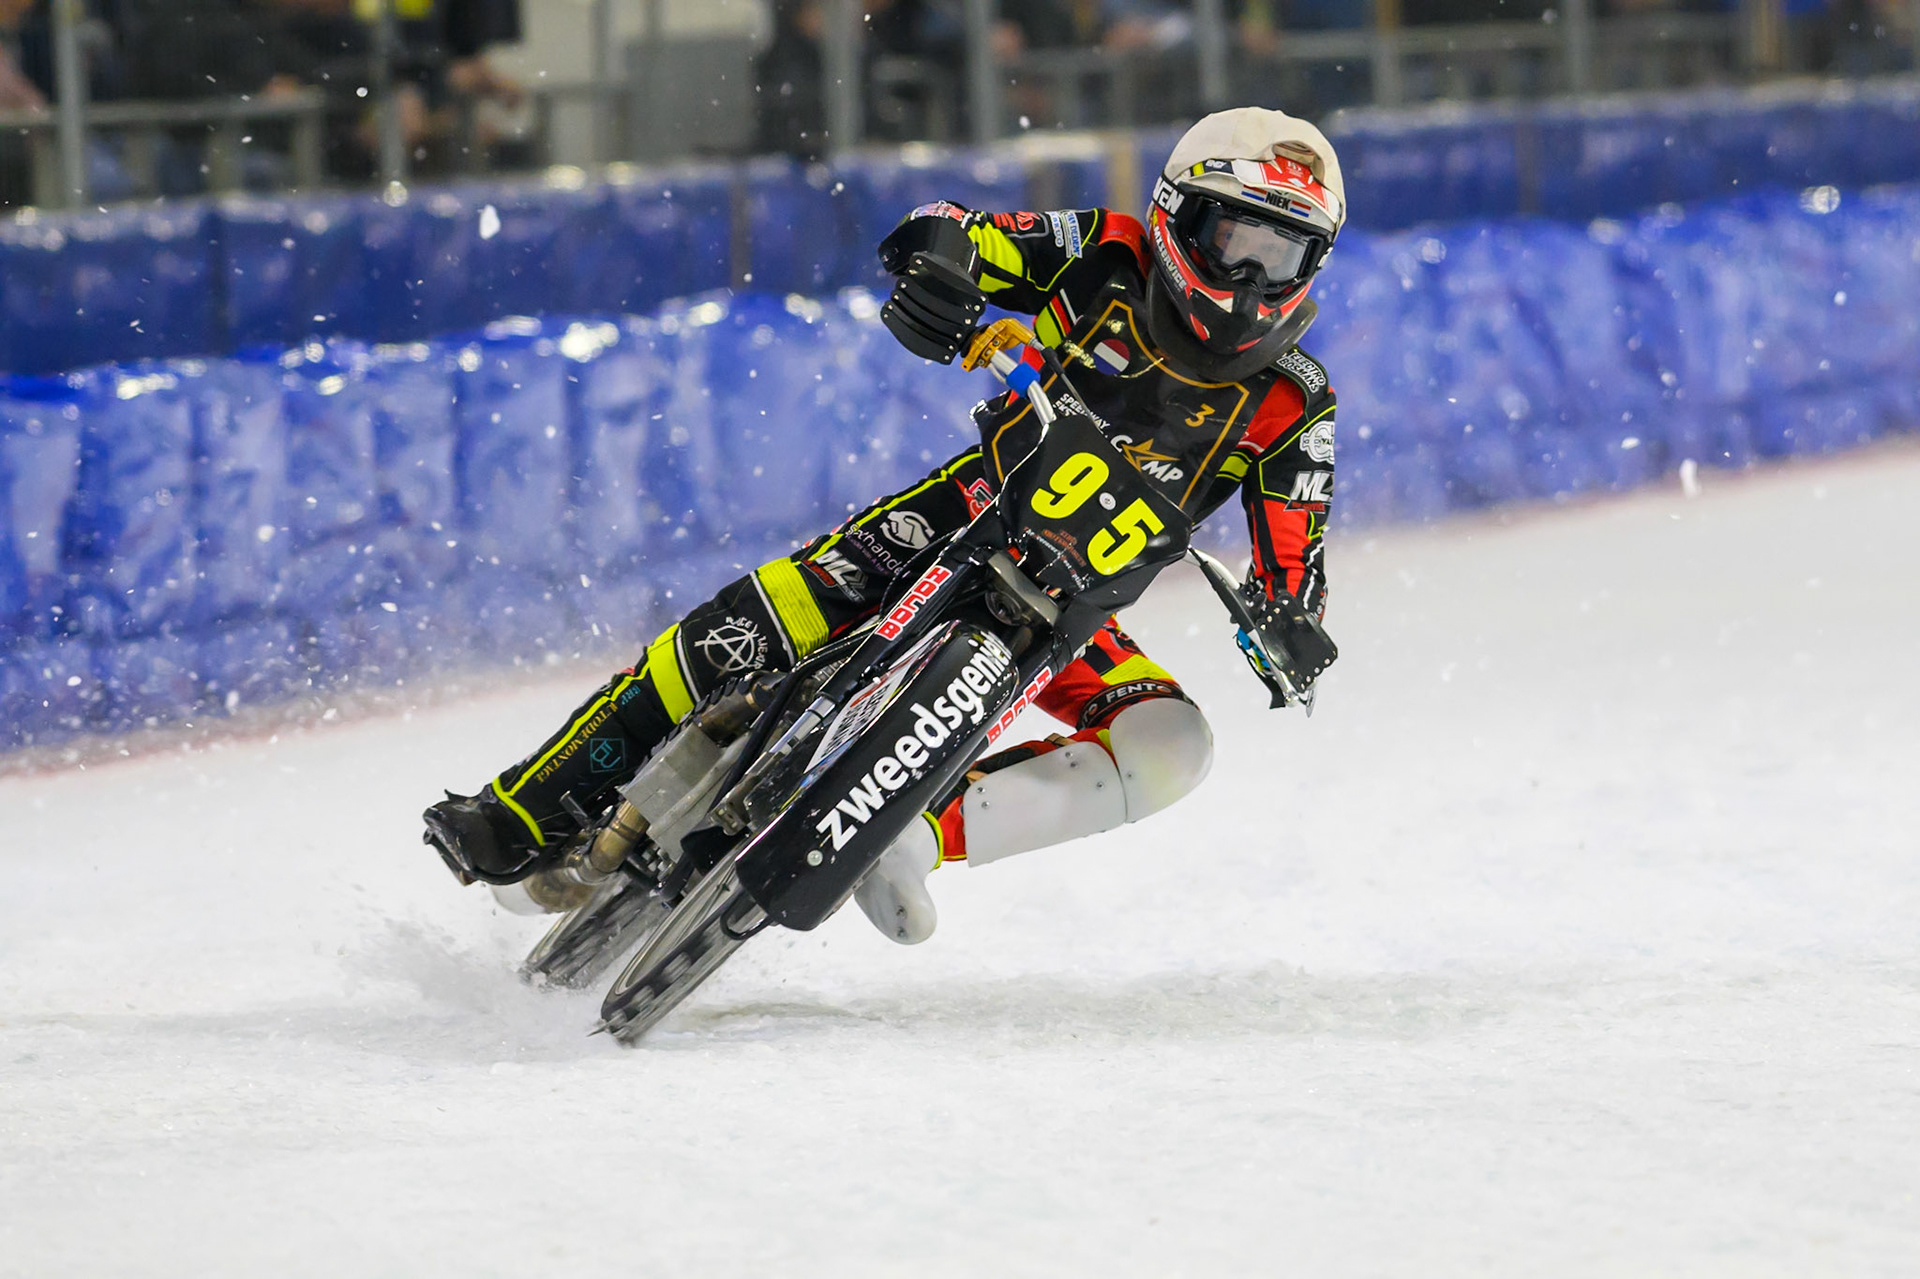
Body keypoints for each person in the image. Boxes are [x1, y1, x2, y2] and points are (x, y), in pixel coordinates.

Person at [423, 106, 1346, 945]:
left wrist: (1289, 624)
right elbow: (957, 233)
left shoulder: (1295, 404)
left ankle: (909, 833)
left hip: (1073, 609)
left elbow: (1294, 550)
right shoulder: (1103, 250)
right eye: (1234, 242)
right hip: (960, 514)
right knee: (738, 630)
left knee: (1173, 742)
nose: (1251, 279)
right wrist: (940, 269)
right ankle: (529, 810)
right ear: (1177, 217)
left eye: (1283, 257)